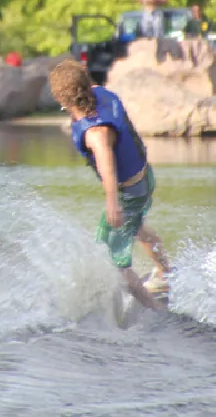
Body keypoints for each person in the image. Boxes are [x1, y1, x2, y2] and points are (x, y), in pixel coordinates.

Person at [48, 59, 174, 311]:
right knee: (137, 227)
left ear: (62, 99)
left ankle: (155, 310)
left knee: (111, 261)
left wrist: (113, 204)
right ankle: (166, 272)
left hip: (129, 193)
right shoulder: (101, 94)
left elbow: (107, 164)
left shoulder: (96, 133)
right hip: (145, 178)